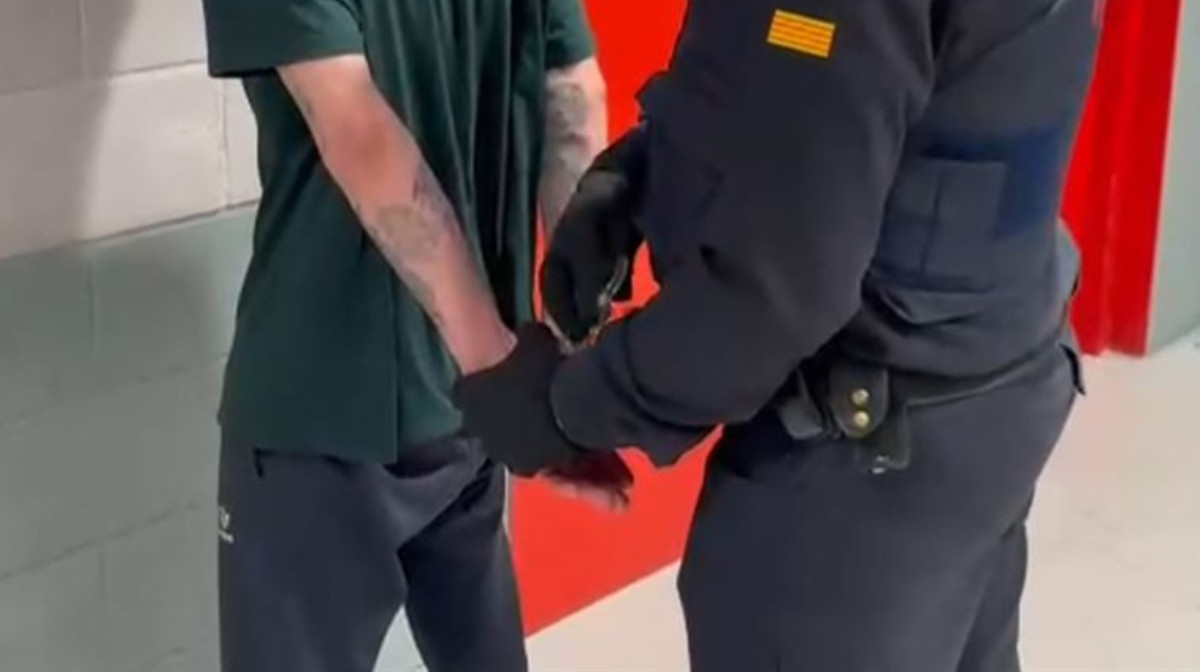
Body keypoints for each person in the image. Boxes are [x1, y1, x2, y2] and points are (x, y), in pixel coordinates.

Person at [454, 0, 1099, 670]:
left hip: (865, 478)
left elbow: (768, 304)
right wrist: (651, 171)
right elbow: (837, 93)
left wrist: (563, 407)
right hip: (994, 390)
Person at [198, 0, 621, 670]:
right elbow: (574, 96)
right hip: (470, 410)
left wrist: (494, 367)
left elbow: (360, 132)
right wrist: (573, 355)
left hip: (325, 408)